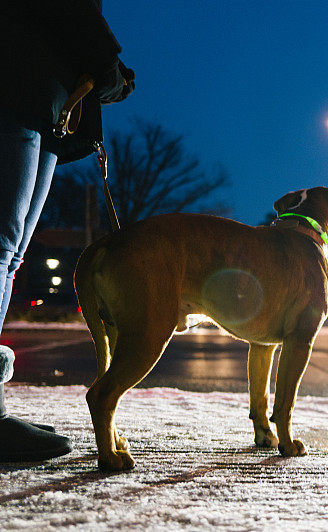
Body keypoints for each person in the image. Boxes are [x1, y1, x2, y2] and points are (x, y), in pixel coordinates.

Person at [0, 1, 134, 462]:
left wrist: (106, 70)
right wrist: (108, 66)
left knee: (10, 253)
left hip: (44, 103)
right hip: (15, 84)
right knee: (0, 247)